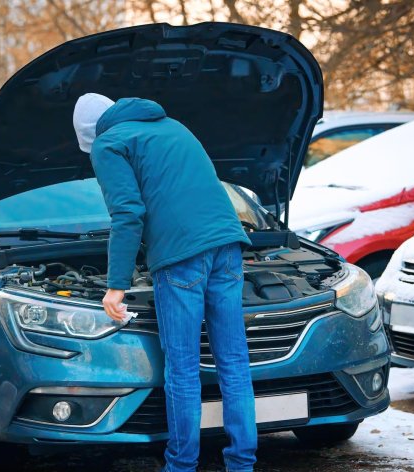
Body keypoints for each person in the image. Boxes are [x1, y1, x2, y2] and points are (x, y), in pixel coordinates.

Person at [72, 93, 257, 472]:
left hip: (182, 256)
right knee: (234, 362)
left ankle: (181, 465)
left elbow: (128, 213)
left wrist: (116, 285)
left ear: (89, 134)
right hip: (228, 245)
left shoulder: (108, 143)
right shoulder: (172, 125)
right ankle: (242, 464)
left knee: (184, 367)